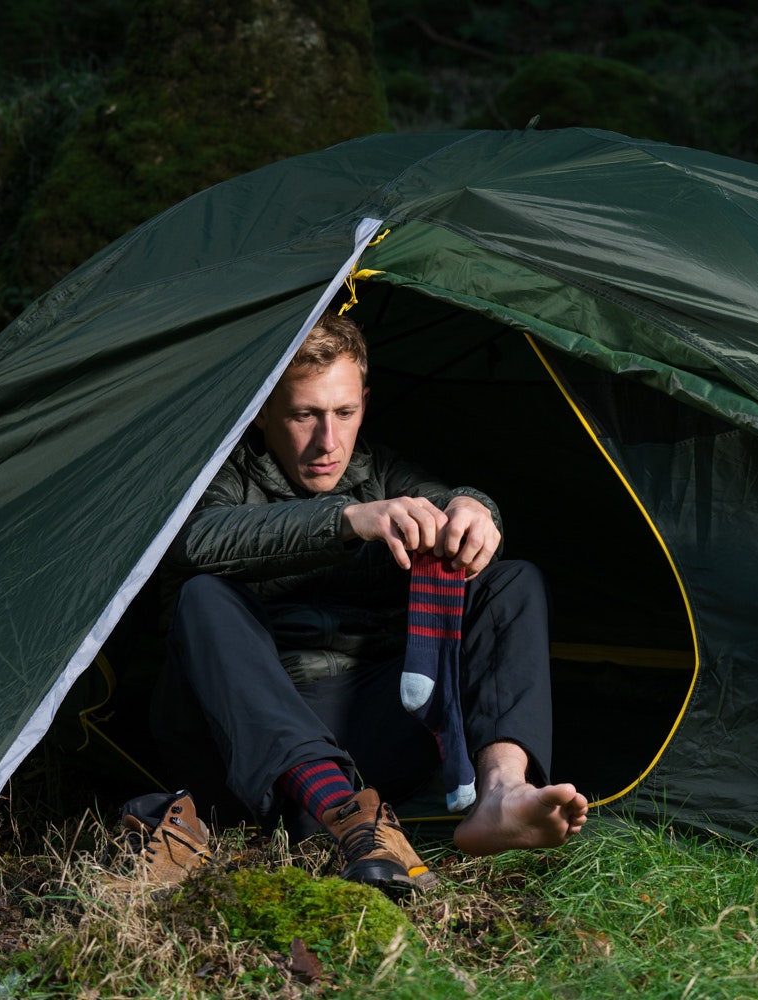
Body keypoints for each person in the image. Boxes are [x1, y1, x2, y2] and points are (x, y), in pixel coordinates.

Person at [135, 308, 588, 894]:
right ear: (264, 410)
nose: (329, 441)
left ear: (365, 403)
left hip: (364, 721)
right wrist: (348, 519)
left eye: (344, 413)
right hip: (236, 739)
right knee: (204, 596)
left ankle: (500, 793)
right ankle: (343, 814)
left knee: (512, 580)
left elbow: (451, 502)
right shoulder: (218, 478)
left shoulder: (381, 471)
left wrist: (476, 509)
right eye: (305, 414)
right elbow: (200, 539)